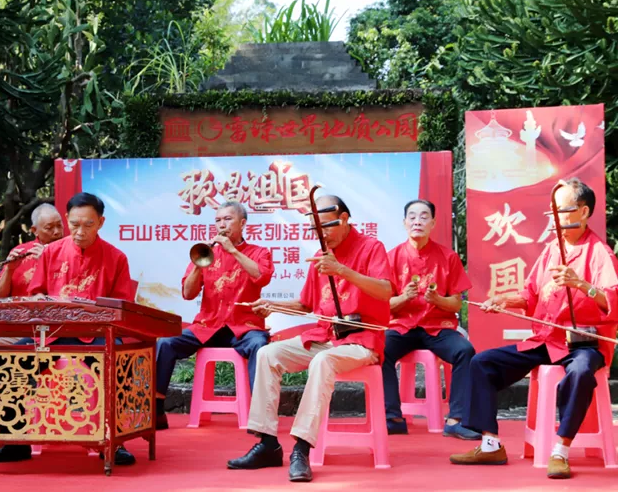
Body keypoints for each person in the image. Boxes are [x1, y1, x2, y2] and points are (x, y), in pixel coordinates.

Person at [450, 178, 618, 480]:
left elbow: (612, 301)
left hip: (584, 343)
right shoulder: (552, 249)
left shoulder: (600, 253)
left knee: (581, 371)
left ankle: (561, 450)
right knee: (482, 362)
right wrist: (504, 300)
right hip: (547, 339)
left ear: (583, 212)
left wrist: (581, 284)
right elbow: (531, 294)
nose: (554, 217)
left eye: (561, 210)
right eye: (552, 211)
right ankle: (490, 444)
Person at [227, 195, 393, 482]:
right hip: (325, 336)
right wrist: (273, 305)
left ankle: (301, 448)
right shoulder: (321, 254)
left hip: (362, 340)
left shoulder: (371, 247)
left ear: (343, 219)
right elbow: (306, 304)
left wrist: (341, 270)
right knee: (267, 354)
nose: (321, 234)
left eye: (325, 226)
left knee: (323, 361)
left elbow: (386, 291)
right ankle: (267, 443)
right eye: (316, 229)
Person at [0, 192, 136, 465]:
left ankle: (114, 442)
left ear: (101, 223)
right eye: (74, 224)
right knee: (10, 360)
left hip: (97, 337)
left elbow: (123, 306)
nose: (80, 231)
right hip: (53, 337)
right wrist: (41, 300)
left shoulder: (117, 258)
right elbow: (36, 293)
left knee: (118, 362)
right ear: (67, 219)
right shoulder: (51, 253)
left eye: (88, 225)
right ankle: (13, 439)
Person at [155, 201, 274, 430]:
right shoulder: (206, 253)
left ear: (242, 223)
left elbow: (262, 277)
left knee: (259, 346)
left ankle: (260, 416)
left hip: (244, 327)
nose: (222, 225)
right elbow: (188, 294)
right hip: (208, 326)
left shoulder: (260, 252)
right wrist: (198, 265)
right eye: (218, 220)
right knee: (166, 343)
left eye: (228, 219)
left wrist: (233, 250)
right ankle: (157, 409)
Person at [383, 200, 479, 439]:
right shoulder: (391, 257)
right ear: (404, 222)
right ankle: (392, 418)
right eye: (412, 217)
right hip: (402, 326)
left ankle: (456, 420)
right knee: (379, 349)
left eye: (424, 217)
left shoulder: (448, 257)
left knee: (465, 351)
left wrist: (437, 300)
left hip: (438, 327)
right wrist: (403, 298)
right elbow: (382, 305)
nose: (418, 221)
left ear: (433, 223)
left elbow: (456, 304)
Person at [0, 203, 63, 299]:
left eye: (59, 225)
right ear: (35, 230)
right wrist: (9, 270)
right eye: (49, 228)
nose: (57, 232)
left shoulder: (70, 251)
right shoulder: (22, 251)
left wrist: (48, 262)